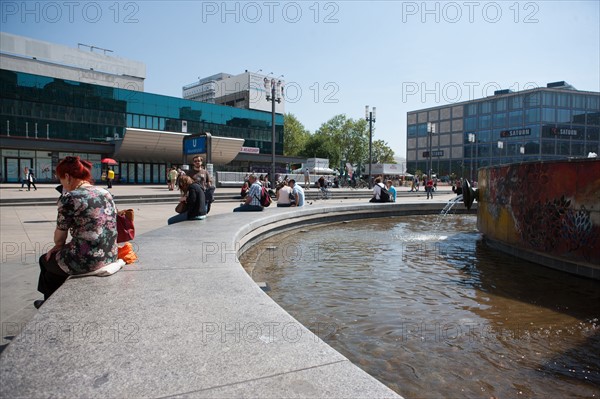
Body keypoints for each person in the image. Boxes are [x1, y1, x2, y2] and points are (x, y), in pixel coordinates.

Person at [35, 156, 118, 309]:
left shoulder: (70, 197)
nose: (61, 183)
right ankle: (51, 301)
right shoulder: (105, 193)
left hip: (87, 259)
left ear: (67, 177)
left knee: (45, 260)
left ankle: (48, 305)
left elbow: (59, 239)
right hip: (110, 253)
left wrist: (57, 247)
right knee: (55, 264)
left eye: (60, 179)